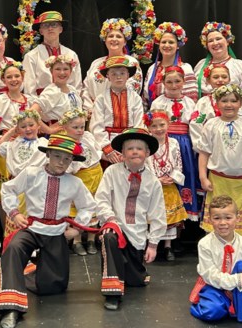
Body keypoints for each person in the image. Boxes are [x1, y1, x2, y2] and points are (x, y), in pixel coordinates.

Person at [0, 134, 97, 328]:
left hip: (56, 232)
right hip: (31, 228)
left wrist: (76, 228)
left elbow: (88, 206)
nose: (62, 162)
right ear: (48, 154)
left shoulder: (74, 183)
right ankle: (10, 308)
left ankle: (28, 273)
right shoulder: (32, 174)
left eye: (67, 159)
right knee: (14, 249)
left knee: (53, 287)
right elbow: (8, 189)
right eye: (57, 156)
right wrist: (15, 213)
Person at [95, 127, 166, 310]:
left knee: (135, 281)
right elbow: (101, 199)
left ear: (147, 153)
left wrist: (153, 244)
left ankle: (132, 271)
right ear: (123, 153)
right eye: (130, 148)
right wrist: (111, 220)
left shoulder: (153, 181)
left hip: (137, 237)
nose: (135, 151)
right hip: (116, 228)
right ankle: (112, 293)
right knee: (109, 237)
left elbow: (158, 214)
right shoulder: (112, 172)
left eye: (139, 148)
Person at [189, 195, 242, 324]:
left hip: (241, 287)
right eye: (217, 218)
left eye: (228, 218)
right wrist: (237, 280)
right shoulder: (204, 244)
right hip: (214, 286)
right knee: (212, 312)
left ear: (237, 218)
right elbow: (210, 275)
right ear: (210, 220)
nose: (223, 223)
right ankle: (220, 305)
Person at [195, 84, 242, 236]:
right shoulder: (211, 125)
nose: (229, 104)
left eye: (233, 101)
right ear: (217, 103)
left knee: (238, 224)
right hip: (219, 181)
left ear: (240, 103)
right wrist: (203, 177)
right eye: (224, 101)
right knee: (217, 219)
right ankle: (214, 253)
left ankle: (238, 254)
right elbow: (204, 153)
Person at [149, 65, 199, 225]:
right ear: (163, 82)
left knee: (185, 174)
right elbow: (153, 124)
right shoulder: (158, 102)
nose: (173, 85)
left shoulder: (190, 102)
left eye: (177, 81)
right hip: (165, 142)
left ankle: (182, 220)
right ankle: (167, 219)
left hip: (184, 144)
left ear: (184, 82)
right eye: (169, 81)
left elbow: (195, 124)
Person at [0, 61, 39, 210]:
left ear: (22, 77)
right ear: (3, 80)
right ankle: (7, 231)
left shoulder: (31, 100)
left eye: (17, 76)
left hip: (28, 149)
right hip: (6, 149)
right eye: (9, 77)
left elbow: (38, 123)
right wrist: (11, 132)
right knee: (6, 194)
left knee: (26, 192)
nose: (13, 79)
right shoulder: (1, 100)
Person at [60, 108, 103, 256]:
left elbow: (97, 150)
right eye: (75, 127)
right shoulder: (65, 142)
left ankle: (91, 238)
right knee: (77, 206)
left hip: (95, 173)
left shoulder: (88, 137)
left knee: (94, 204)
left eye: (81, 127)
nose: (79, 131)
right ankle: (77, 240)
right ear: (65, 127)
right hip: (78, 176)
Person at [145, 111, 187, 261]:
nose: (158, 129)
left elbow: (178, 163)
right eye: (154, 126)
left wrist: (171, 177)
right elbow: (145, 165)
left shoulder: (174, 143)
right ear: (148, 128)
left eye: (162, 125)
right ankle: (150, 244)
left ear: (168, 124)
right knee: (152, 216)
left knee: (169, 216)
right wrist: (156, 179)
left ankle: (168, 246)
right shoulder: (147, 144)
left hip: (169, 185)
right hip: (152, 187)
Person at [192, 21, 242, 119]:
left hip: (233, 118)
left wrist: (241, 121)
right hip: (205, 116)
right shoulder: (201, 65)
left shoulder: (241, 66)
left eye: (218, 38)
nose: (215, 43)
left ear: (227, 41)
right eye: (210, 41)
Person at [81, 18, 144, 118]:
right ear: (105, 40)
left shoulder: (131, 63)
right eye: (110, 36)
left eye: (118, 36)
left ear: (124, 42)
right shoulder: (96, 63)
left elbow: (133, 89)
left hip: (121, 114)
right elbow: (86, 88)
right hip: (94, 114)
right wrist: (90, 108)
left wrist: (109, 109)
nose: (114, 39)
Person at [90, 56, 145, 166]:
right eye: (114, 74)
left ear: (128, 75)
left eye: (122, 73)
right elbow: (96, 126)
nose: (118, 77)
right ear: (108, 76)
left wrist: (131, 147)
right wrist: (107, 148)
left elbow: (139, 124)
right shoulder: (101, 99)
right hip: (108, 148)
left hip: (130, 144)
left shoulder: (135, 98)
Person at [21, 10, 83, 95]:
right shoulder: (31, 56)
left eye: (54, 25)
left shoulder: (71, 54)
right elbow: (29, 90)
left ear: (60, 29)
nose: (50, 28)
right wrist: (39, 107)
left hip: (68, 103)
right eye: (46, 25)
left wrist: (73, 104)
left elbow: (77, 86)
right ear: (41, 31)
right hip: (42, 104)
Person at [144, 21, 197, 107]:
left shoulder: (185, 68)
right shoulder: (153, 68)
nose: (167, 45)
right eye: (164, 42)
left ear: (178, 45)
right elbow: (145, 98)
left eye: (171, 42)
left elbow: (192, 101)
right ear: (159, 44)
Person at [189, 64, 233, 152]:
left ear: (229, 79)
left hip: (233, 147)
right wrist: (202, 149)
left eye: (224, 77)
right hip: (210, 149)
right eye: (216, 77)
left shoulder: (234, 100)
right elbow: (196, 124)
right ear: (208, 80)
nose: (220, 80)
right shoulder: (204, 102)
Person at [37, 54, 83, 135]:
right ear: (51, 71)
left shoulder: (72, 89)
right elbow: (31, 112)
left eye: (65, 69)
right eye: (58, 69)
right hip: (59, 137)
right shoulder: (52, 91)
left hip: (76, 135)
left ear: (70, 71)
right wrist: (48, 130)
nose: (62, 73)